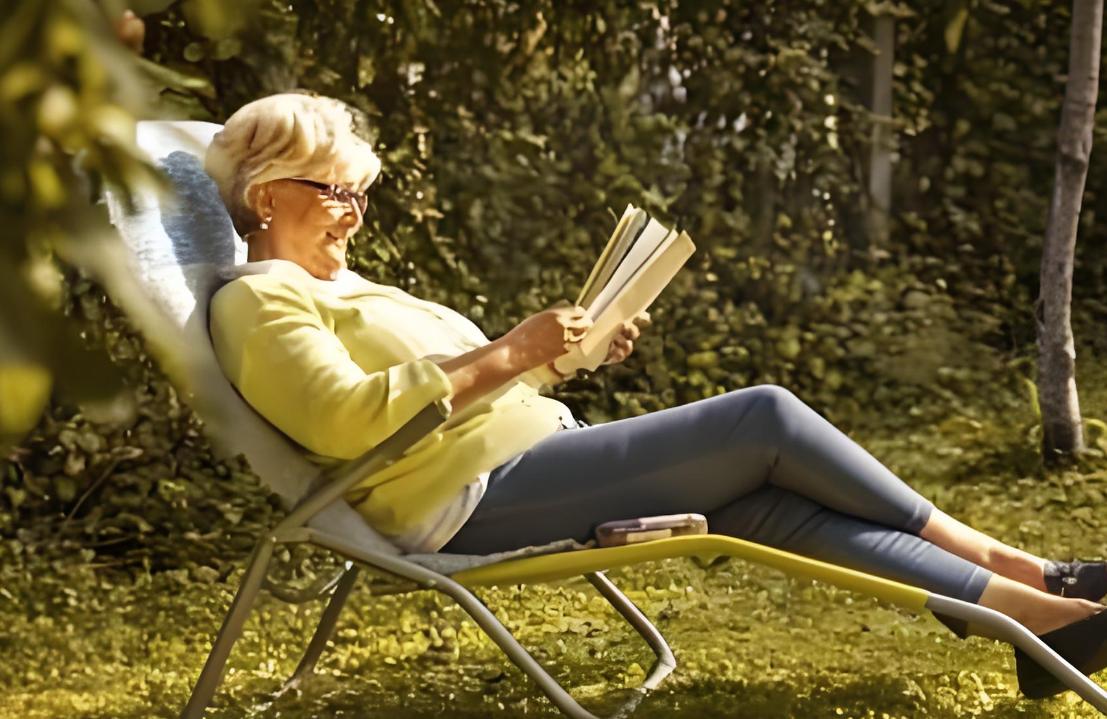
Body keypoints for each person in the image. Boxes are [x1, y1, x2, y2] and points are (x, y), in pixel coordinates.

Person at [204, 93, 1107, 700]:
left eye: (361, 196)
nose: (355, 214)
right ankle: (1025, 569)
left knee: (758, 505)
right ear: (269, 191)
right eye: (336, 193)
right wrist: (511, 347)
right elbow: (347, 418)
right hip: (466, 499)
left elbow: (469, 386)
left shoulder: (361, 289)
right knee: (764, 415)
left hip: (530, 456)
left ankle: (1037, 623)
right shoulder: (259, 300)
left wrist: (562, 360)